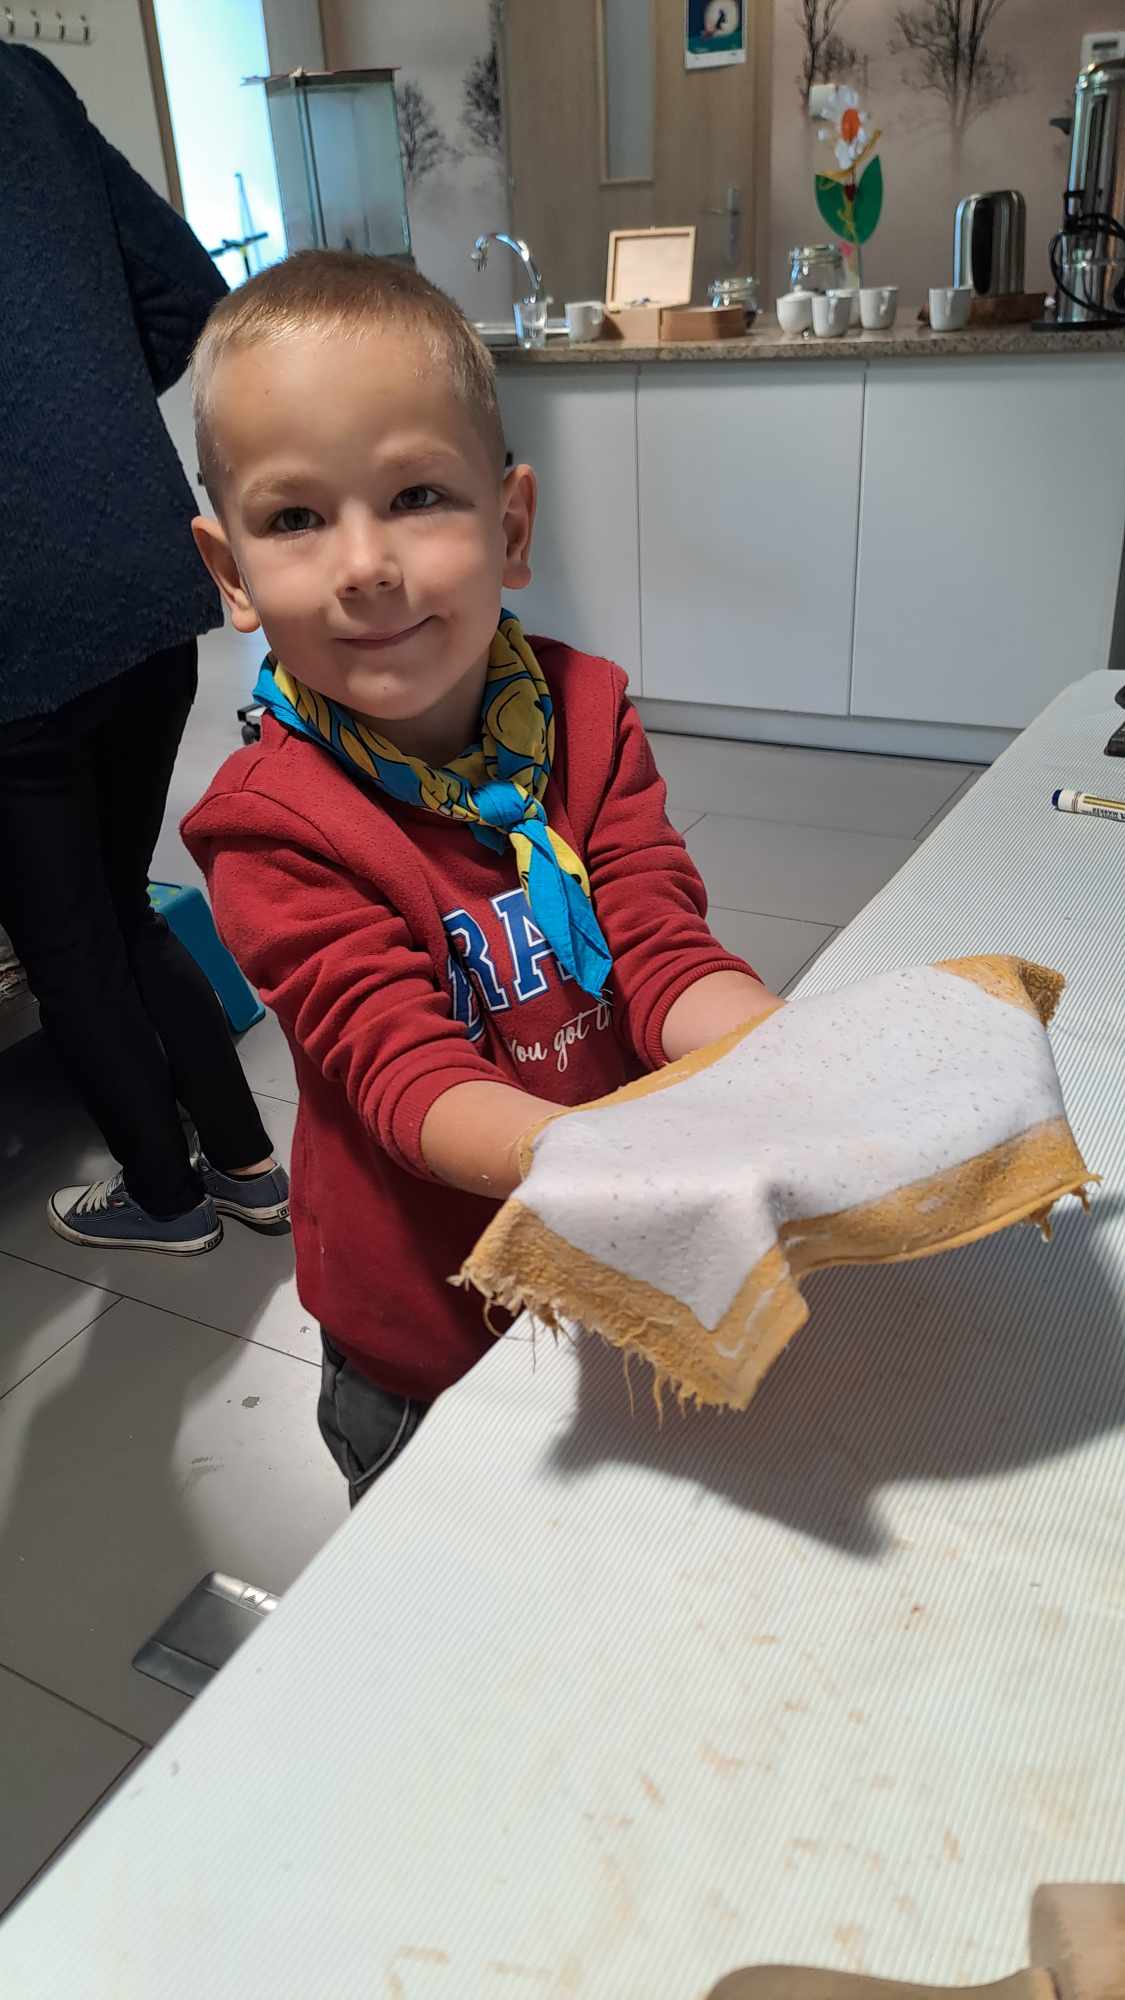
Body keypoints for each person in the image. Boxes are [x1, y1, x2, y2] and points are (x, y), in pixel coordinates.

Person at [182, 249, 778, 1501]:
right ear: (231, 572)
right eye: (295, 518)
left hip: (609, 1274)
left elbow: (661, 948)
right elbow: (407, 1075)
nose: (364, 563)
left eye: (415, 495)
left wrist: (791, 1060)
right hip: (429, 1339)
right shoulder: (271, 826)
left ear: (509, 527)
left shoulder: (588, 715)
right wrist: (603, 1166)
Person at [0, 44, 289, 1254]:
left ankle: (164, 1199)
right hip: (140, 561)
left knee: (68, 942)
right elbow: (183, 290)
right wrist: (83, 409)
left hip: (15, 623)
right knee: (124, 900)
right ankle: (248, 1165)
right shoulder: (20, 81)